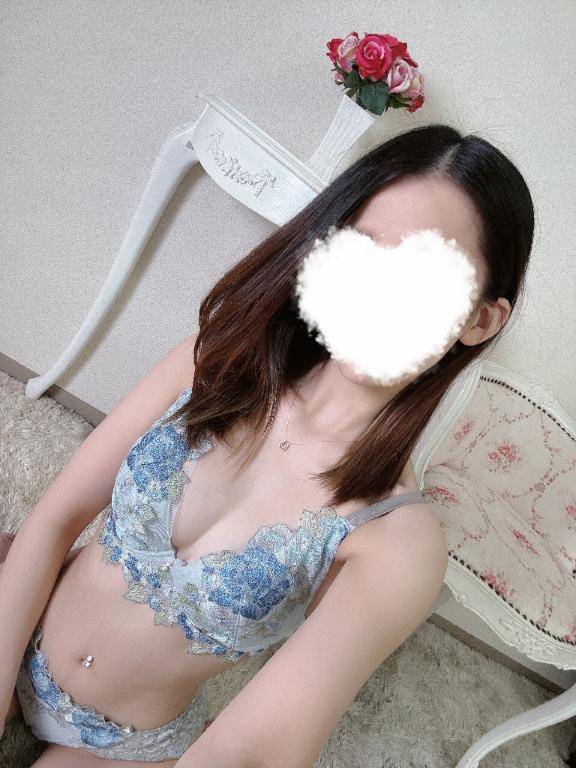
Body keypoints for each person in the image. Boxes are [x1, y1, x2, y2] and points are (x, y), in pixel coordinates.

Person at [0, 123, 533, 767]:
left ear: (479, 319)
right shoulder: (215, 361)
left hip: (124, 743)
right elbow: (56, 517)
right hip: (24, 603)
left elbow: (253, 752)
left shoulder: (399, 542)